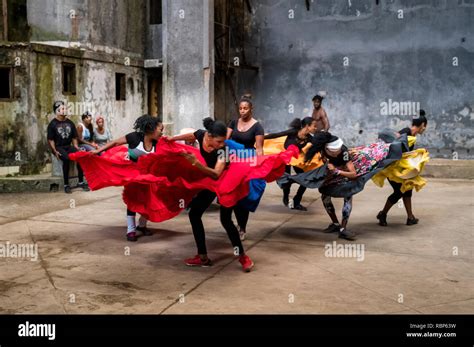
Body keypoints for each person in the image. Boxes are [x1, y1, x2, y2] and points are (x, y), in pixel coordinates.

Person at [171, 117, 254, 272]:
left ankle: (242, 256)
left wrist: (196, 163)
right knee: (194, 214)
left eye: (224, 141)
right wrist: (171, 139)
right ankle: (202, 257)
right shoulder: (202, 134)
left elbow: (216, 173)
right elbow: (192, 135)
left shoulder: (224, 150)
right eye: (219, 141)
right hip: (210, 182)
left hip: (226, 180)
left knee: (226, 220)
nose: (222, 144)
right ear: (209, 136)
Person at [90, 115, 163, 241]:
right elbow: (115, 142)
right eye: (160, 129)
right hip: (131, 173)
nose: (162, 132)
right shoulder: (134, 137)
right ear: (151, 129)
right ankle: (131, 230)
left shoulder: (159, 143)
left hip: (148, 176)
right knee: (132, 200)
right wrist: (98, 151)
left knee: (148, 200)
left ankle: (142, 225)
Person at [376, 113, 428, 226]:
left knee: (408, 189)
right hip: (393, 169)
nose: (425, 129)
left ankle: (410, 217)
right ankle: (383, 214)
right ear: (422, 125)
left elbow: (405, 152)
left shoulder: (412, 136)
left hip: (401, 170)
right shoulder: (406, 132)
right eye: (425, 127)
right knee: (399, 192)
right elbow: (394, 145)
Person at [227, 95, 265, 240]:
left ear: (251, 109)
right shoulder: (233, 122)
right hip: (233, 161)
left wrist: (259, 167)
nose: (242, 111)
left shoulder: (257, 126)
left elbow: (259, 149)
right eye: (240, 108)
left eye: (245, 108)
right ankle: (237, 225)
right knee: (234, 195)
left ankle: (242, 227)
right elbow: (224, 140)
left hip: (248, 161)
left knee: (245, 195)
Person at [264, 117, 317, 210]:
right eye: (314, 126)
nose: (316, 128)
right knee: (286, 180)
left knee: (305, 179)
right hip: (285, 158)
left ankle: (297, 201)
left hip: (297, 160)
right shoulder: (293, 132)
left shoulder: (310, 138)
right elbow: (276, 135)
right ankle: (286, 197)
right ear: (307, 126)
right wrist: (260, 137)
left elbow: (319, 145)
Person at [47, 101, 90, 194]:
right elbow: (50, 140)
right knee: (66, 159)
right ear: (57, 111)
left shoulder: (70, 122)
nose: (65, 110)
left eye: (65, 108)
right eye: (62, 109)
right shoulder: (52, 124)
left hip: (68, 146)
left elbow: (74, 137)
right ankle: (66, 185)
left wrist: (76, 147)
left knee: (80, 156)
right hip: (59, 147)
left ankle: (81, 182)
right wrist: (54, 151)